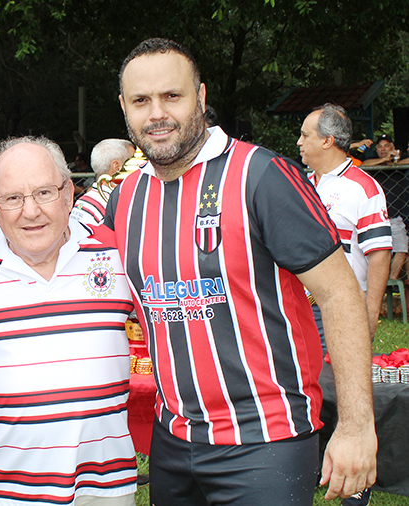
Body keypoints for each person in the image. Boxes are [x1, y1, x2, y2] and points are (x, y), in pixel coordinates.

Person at [105, 38, 377, 506]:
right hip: (172, 439)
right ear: (125, 109)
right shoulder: (125, 198)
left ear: (202, 97)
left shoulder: (262, 175)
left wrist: (356, 426)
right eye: (141, 101)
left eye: (172, 96)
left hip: (265, 440)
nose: (156, 114)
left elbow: (339, 293)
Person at [0, 136, 137, 506]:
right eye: (12, 198)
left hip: (107, 488)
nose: (31, 211)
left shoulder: (120, 254)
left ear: (69, 193)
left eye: (43, 193)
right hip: (6, 492)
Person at [299, 103, 392, 353]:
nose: (299, 142)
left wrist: (371, 315)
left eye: (305, 135)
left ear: (328, 141)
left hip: (341, 305)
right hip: (298, 305)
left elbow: (380, 254)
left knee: (335, 385)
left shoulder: (363, 187)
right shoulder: (300, 185)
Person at [362, 135, 409, 281]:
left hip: (395, 215)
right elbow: (364, 164)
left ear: (393, 147)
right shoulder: (373, 163)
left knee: (402, 249)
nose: (383, 149)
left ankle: (393, 280)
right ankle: (377, 281)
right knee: (376, 251)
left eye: (387, 145)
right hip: (376, 216)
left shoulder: (399, 163)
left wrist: (395, 161)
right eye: (380, 146)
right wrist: (384, 160)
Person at [71, 139, 135, 226]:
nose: (140, 167)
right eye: (134, 162)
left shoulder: (83, 201)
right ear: (117, 167)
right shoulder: (113, 207)